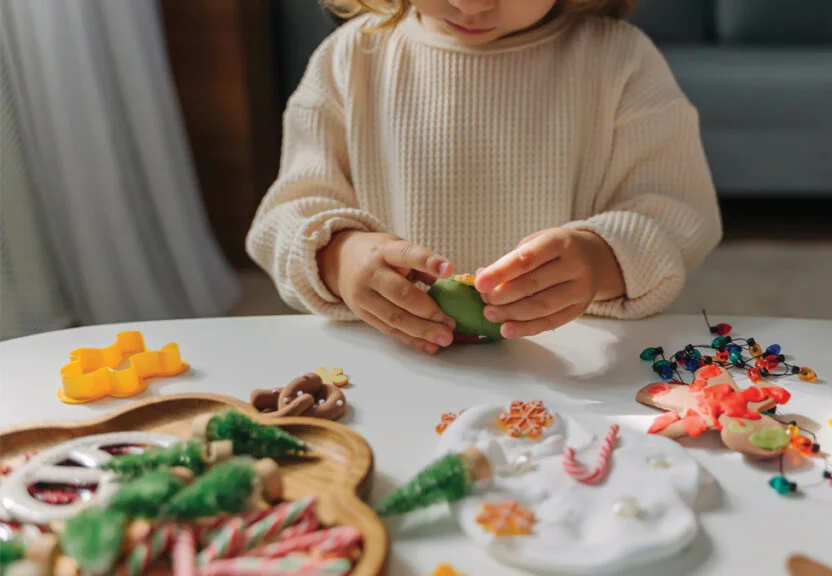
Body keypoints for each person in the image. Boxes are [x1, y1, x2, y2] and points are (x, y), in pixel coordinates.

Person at [246, 0, 723, 355]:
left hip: (569, 363)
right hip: (395, 359)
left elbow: (675, 213)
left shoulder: (622, 61)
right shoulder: (348, 59)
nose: (471, 4)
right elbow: (287, 215)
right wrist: (339, 256)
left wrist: (599, 262)